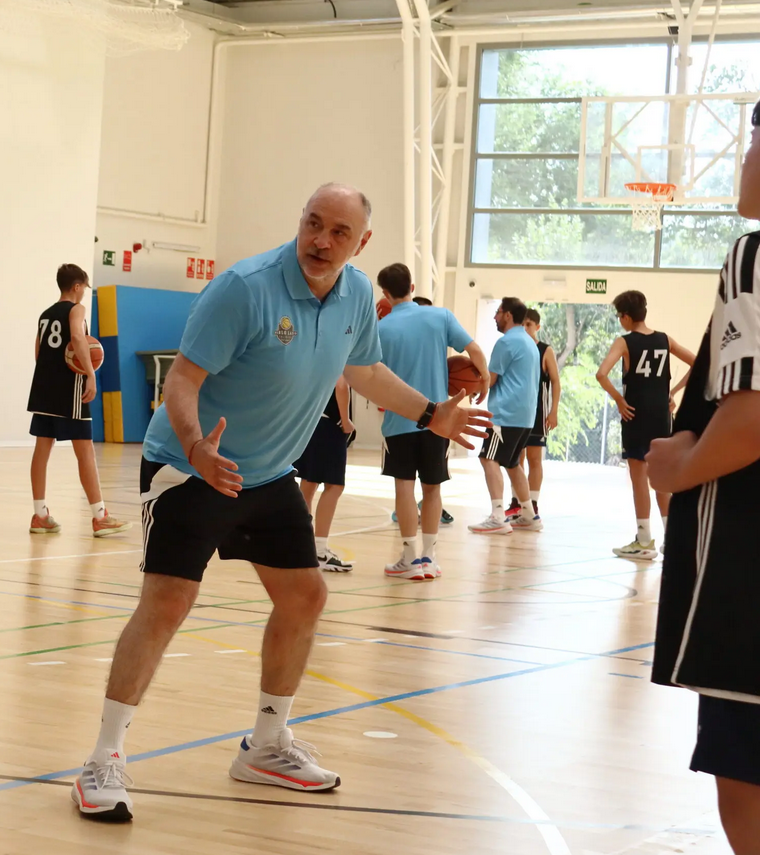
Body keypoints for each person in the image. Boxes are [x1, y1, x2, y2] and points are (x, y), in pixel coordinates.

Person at [69, 183, 489, 821]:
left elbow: (366, 372)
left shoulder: (354, 295)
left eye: (338, 232)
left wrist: (431, 414)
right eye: (313, 224)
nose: (321, 241)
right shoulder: (245, 288)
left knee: (305, 595)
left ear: (361, 243)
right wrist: (197, 448)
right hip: (191, 467)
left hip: (267, 475)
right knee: (168, 603)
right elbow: (183, 378)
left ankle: (265, 745)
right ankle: (103, 757)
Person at [648, 99, 760, 853]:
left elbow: (750, 414)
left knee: (745, 774)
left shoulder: (753, 254)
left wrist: (679, 467)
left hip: (747, 566)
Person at [375, 262, 488, 579]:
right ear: (412, 287)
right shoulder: (441, 316)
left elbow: (371, 373)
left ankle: (409, 557)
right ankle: (429, 558)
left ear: (385, 293)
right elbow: (475, 350)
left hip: (399, 421)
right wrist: (485, 381)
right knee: (433, 489)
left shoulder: (380, 329)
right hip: (440, 419)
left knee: (404, 489)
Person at [27, 263, 130, 538]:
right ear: (76, 286)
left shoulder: (45, 315)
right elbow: (77, 337)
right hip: (69, 389)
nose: (84, 292)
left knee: (42, 449)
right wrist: (90, 374)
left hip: (43, 388)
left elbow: (38, 351)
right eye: (84, 287)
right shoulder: (77, 310)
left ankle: (40, 515)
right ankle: (100, 517)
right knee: (85, 450)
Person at [595, 290, 695, 560]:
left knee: (639, 479)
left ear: (626, 316)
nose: (619, 321)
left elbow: (601, 374)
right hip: (662, 415)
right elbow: (698, 363)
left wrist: (618, 399)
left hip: (636, 415)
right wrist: (672, 392)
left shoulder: (625, 342)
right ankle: (672, 539)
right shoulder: (665, 339)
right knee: (660, 478)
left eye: (619, 316)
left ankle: (643, 540)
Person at [469, 297, 542, 535]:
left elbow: (491, 379)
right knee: (512, 463)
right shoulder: (530, 342)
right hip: (526, 416)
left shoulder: (506, 342)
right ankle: (530, 515)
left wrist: (471, 386)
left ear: (508, 315)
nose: (495, 317)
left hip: (505, 415)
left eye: (498, 312)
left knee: (488, 458)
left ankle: (498, 515)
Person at [295, 377, 356, 573]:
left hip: (310, 421)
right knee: (334, 486)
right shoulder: (339, 348)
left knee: (309, 483)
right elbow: (341, 384)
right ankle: (320, 550)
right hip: (330, 424)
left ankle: (301, 546)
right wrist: (345, 420)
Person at [507, 308, 560, 519]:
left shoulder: (545, 350)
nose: (526, 328)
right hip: (518, 411)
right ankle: (516, 501)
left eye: (530, 325)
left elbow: (556, 381)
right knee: (515, 458)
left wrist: (554, 410)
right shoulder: (516, 347)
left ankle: (534, 502)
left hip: (538, 412)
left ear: (537, 327)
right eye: (524, 324)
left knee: (534, 459)